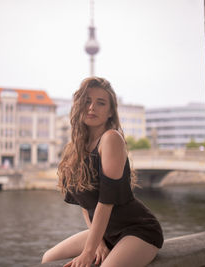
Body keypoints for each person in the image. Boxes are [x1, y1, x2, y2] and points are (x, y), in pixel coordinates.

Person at [42, 77, 163, 267]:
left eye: (100, 103)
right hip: (105, 232)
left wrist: (88, 253)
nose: (92, 107)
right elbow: (85, 204)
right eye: (87, 101)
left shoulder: (111, 139)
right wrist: (98, 243)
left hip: (137, 230)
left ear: (110, 112)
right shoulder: (74, 149)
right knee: (48, 258)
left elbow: (106, 202)